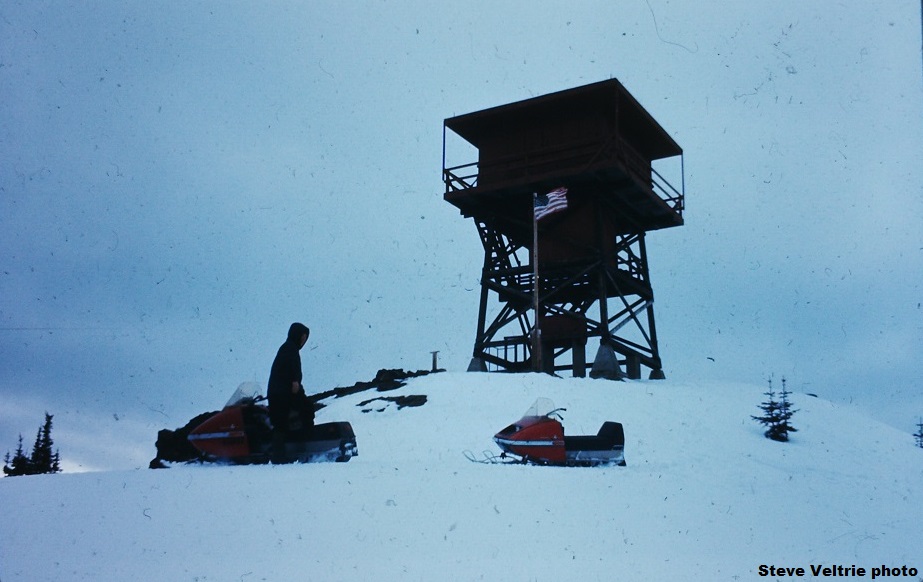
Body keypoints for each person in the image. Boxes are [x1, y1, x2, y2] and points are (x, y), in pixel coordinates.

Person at [267, 322, 314, 461]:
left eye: (306, 338)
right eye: (303, 337)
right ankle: (294, 451)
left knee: (285, 421)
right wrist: (296, 385)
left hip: (279, 394)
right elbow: (292, 374)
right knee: (304, 411)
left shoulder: (288, 348)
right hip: (282, 394)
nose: (304, 340)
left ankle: (292, 450)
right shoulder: (290, 349)